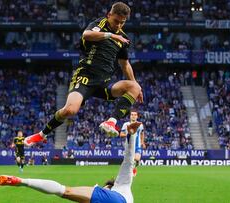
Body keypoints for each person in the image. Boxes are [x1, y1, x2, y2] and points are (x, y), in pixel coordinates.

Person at [24, 2, 143, 146]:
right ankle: (41, 135)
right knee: (70, 110)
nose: (118, 26)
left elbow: (125, 64)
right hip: (85, 77)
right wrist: (111, 35)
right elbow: (86, 35)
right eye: (116, 21)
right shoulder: (100, 24)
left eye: (122, 23)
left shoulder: (123, 39)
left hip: (104, 83)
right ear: (109, 15)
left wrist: (137, 87)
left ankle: (111, 122)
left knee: (135, 87)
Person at [0, 122, 142, 203]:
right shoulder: (124, 188)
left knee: (64, 190)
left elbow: (128, 160)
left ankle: (22, 181)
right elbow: (129, 161)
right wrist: (132, 135)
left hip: (117, 200)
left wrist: (133, 134)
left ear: (108, 187)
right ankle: (22, 180)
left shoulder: (121, 185)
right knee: (64, 191)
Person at [120, 110, 145, 176]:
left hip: (137, 145)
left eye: (135, 115)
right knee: (129, 161)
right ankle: (131, 170)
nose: (133, 116)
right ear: (130, 116)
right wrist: (128, 134)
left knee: (137, 158)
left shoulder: (140, 124)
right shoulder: (126, 124)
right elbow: (121, 134)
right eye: (132, 115)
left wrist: (142, 142)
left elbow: (142, 133)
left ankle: (133, 168)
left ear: (137, 116)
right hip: (129, 146)